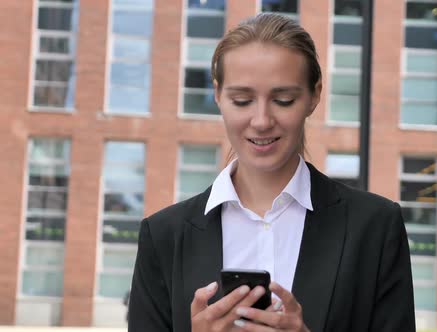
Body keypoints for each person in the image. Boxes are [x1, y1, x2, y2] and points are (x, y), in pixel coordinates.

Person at [128, 13, 415, 332]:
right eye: (242, 100)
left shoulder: (375, 227)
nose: (262, 120)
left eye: (283, 100)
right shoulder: (164, 236)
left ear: (314, 95)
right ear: (218, 95)